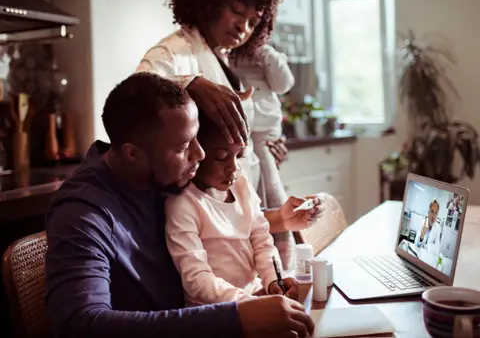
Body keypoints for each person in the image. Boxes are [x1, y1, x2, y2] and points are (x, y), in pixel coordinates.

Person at [45, 73, 315, 338]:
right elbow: (79, 325)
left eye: (197, 138)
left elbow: (214, 223)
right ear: (132, 154)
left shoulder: (161, 172)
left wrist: (192, 81)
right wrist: (236, 317)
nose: (200, 154)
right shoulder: (83, 213)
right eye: (184, 146)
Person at [136, 0, 315, 236]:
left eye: (253, 22)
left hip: (237, 203)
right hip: (197, 214)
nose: (242, 27)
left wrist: (261, 145)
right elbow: (136, 93)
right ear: (209, 0)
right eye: (236, 10)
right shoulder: (175, 51)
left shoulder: (227, 60)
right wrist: (189, 83)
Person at [166, 109, 318, 305]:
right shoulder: (183, 204)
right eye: (221, 157)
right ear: (196, 151)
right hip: (214, 311)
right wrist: (248, 302)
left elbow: (262, 243)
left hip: (253, 296)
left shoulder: (242, 187)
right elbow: (197, 279)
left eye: (239, 156)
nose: (234, 167)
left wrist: (273, 280)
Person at [232, 44, 295, 269]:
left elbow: (284, 83)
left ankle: (284, 265)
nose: (244, 27)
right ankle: (277, 267)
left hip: (267, 132)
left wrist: (266, 55)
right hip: (243, 131)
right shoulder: (221, 55)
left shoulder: (266, 54)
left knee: (271, 193)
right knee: (255, 198)